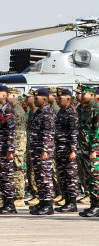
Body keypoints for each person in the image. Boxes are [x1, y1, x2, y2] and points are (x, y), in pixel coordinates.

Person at [28, 89, 56, 215]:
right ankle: (43, 202)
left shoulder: (47, 113)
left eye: (37, 98)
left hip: (43, 150)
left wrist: (45, 150)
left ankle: (48, 205)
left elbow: (48, 133)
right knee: (39, 177)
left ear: (44, 99)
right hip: (36, 149)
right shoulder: (37, 112)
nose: (34, 100)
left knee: (45, 177)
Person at [0, 86, 17, 214]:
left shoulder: (8, 110)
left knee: (7, 177)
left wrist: (10, 150)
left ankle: (10, 204)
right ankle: (6, 202)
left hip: (4, 150)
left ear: (3, 95)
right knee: (1, 177)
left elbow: (11, 132)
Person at [54, 88, 79, 212]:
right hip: (60, 149)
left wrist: (73, 150)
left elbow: (74, 133)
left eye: (60, 98)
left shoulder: (71, 112)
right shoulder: (61, 112)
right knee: (63, 176)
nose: (57, 100)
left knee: (70, 177)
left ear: (68, 98)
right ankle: (67, 200)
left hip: (68, 150)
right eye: (57, 98)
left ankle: (72, 203)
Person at [77, 86, 99, 217]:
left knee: (95, 177)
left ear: (91, 95)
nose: (81, 96)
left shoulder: (96, 109)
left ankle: (97, 205)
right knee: (89, 178)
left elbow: (97, 130)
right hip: (84, 148)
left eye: (84, 94)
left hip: (92, 149)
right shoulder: (84, 109)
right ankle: (93, 204)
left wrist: (94, 149)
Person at [7, 88, 28, 207]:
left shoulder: (17, 111)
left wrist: (14, 147)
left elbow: (16, 131)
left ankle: (19, 197)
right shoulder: (13, 109)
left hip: (18, 143)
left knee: (17, 170)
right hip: (15, 143)